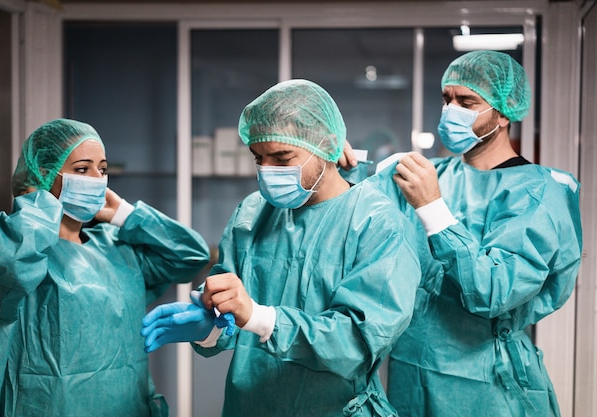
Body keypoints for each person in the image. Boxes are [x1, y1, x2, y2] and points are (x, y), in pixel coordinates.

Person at [141, 79, 421, 417]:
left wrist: (258, 317)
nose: (267, 171)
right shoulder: (252, 214)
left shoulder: (377, 223)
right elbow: (231, 318)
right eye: (259, 158)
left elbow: (358, 342)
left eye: (282, 157)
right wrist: (210, 326)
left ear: (328, 146)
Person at [368, 51, 582, 416]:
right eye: (446, 100)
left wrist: (432, 208)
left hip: (485, 384)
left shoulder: (539, 193)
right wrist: (333, 159)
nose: (451, 111)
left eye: (467, 102)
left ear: (503, 112)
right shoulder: (432, 174)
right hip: (411, 373)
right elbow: (344, 212)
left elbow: (492, 291)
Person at [0, 118, 211, 417]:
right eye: (81, 169)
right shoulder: (24, 251)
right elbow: (6, 270)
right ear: (44, 175)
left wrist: (126, 216)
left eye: (102, 169)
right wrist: (39, 205)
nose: (96, 179)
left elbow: (191, 257)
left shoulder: (118, 247)